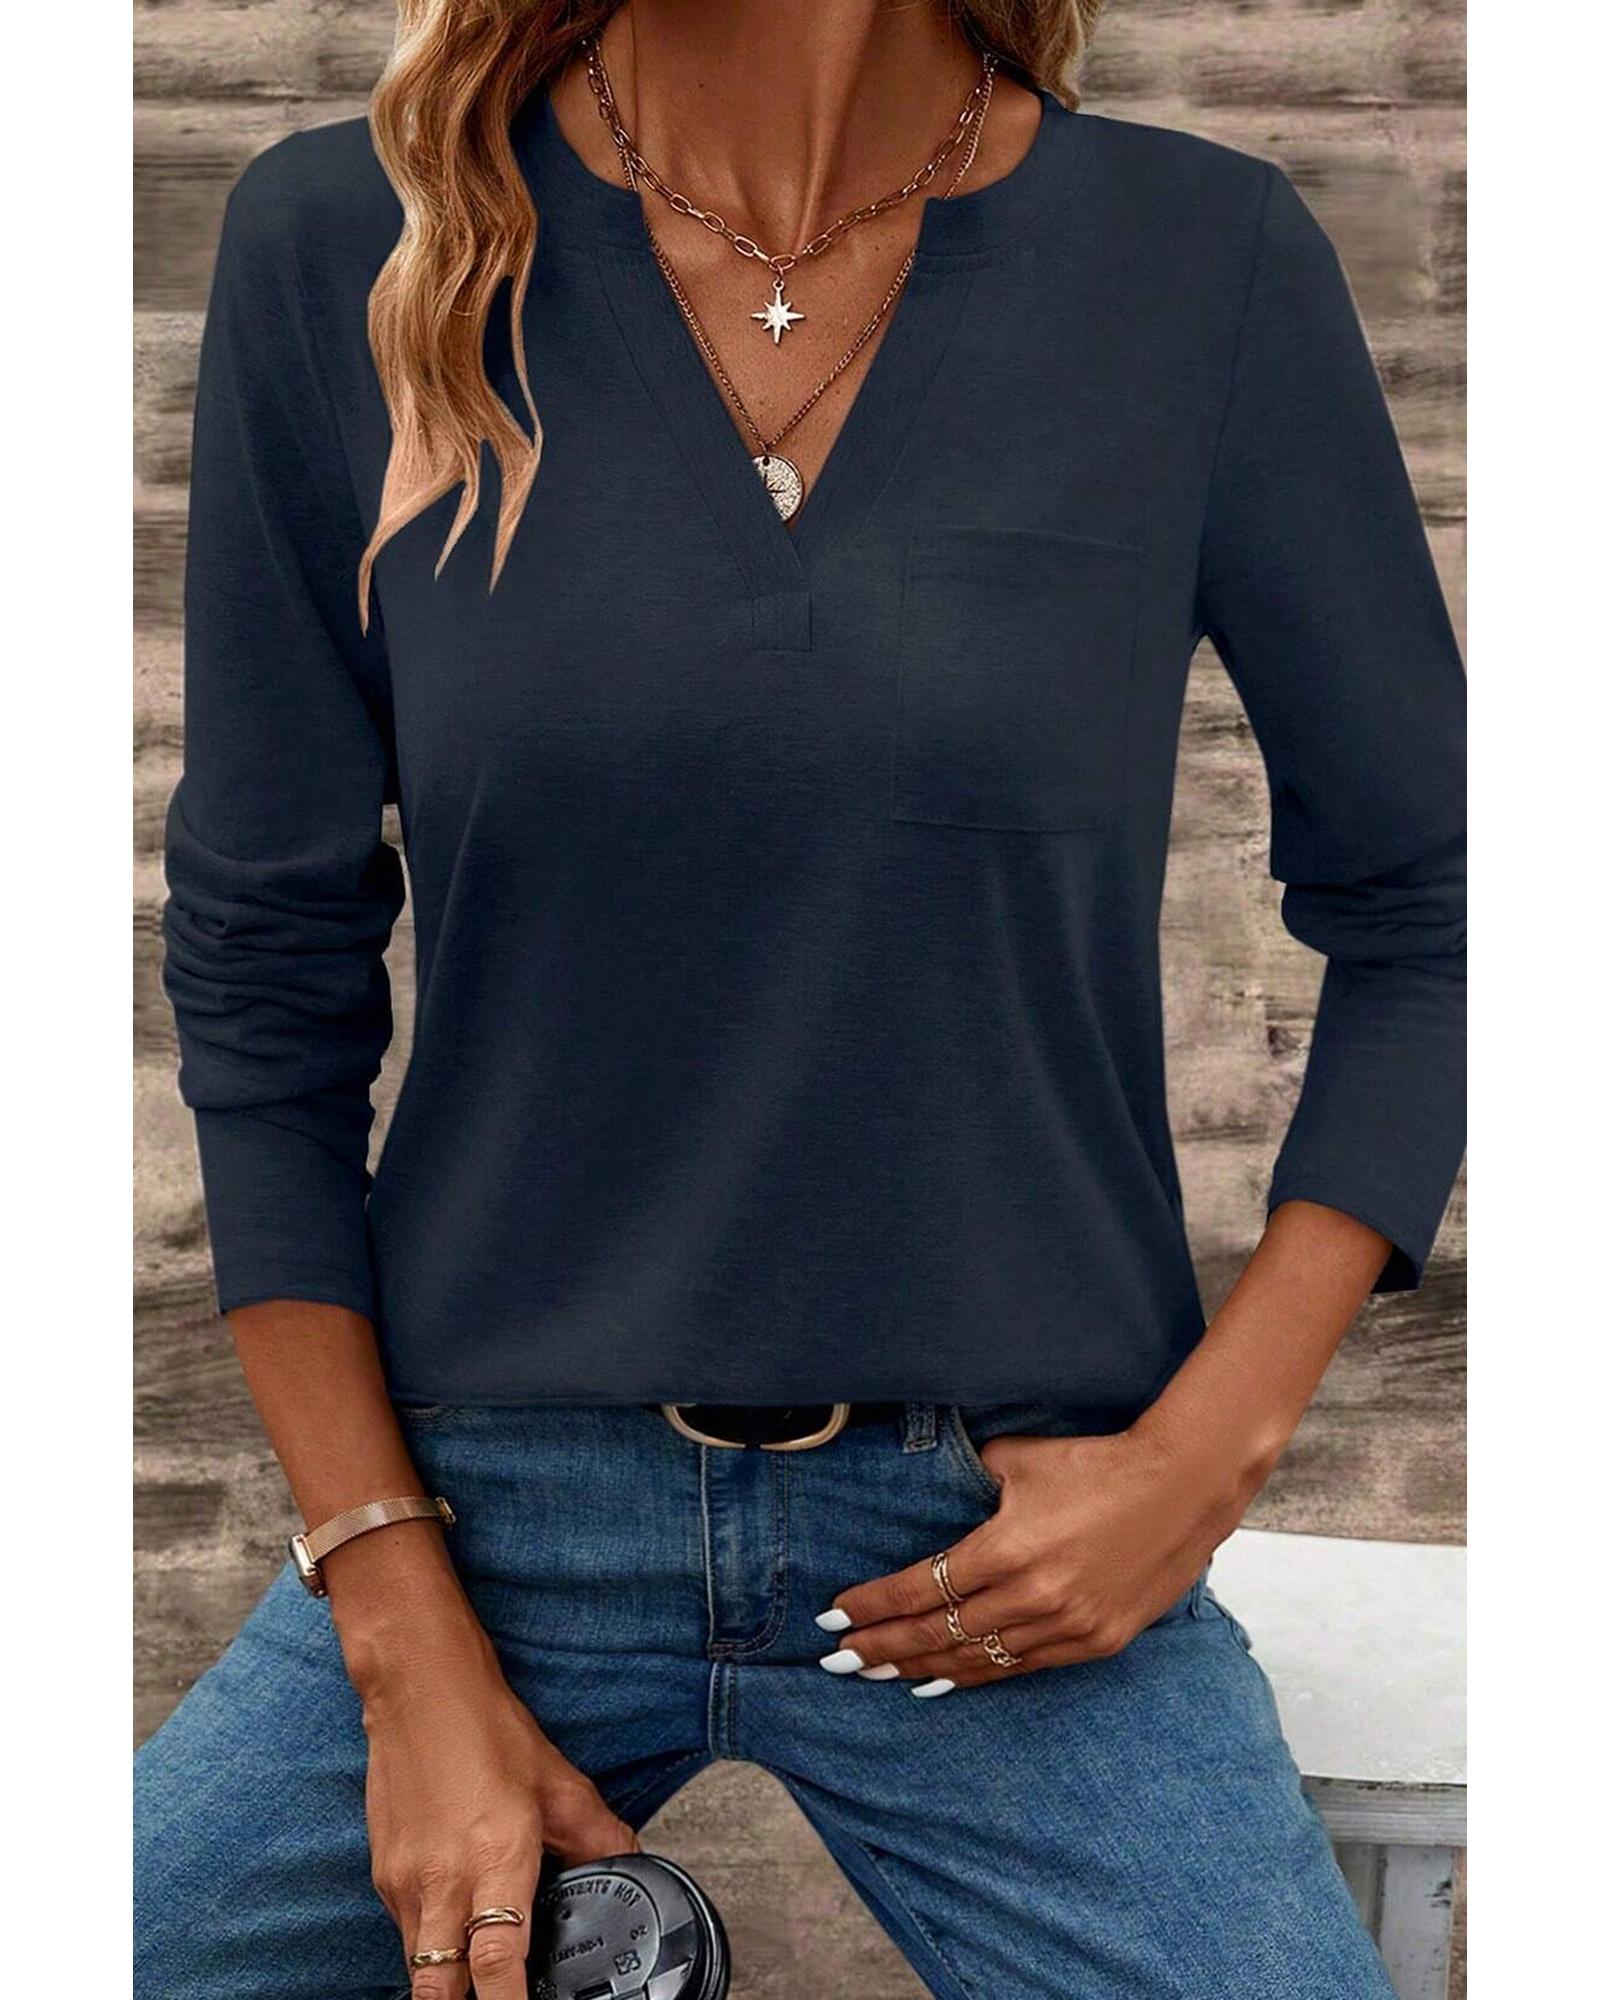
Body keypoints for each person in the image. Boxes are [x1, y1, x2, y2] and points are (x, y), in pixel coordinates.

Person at [135, 3, 1466, 1996]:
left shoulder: (1196, 261)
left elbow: (1447, 898)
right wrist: (396, 1628)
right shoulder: (357, 241)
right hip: (478, 1514)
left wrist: (1203, 1460)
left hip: (993, 1534)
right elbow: (264, 958)